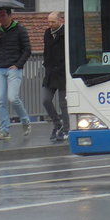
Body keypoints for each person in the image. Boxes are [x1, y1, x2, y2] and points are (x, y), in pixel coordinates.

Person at [0, 6, 32, 140]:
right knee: (0, 101)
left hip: (14, 68)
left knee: (13, 97)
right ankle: (4, 130)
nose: (1, 18)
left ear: (10, 16)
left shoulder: (20, 29)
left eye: (3, 15)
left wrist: (18, 65)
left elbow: (27, 49)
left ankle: (25, 121)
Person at [41, 11, 69, 142]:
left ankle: (66, 129)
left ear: (60, 20)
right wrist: (46, 65)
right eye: (49, 21)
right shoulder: (47, 33)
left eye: (53, 22)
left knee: (63, 103)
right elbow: (46, 51)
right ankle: (57, 123)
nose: (50, 24)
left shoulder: (66, 33)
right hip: (50, 73)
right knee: (46, 100)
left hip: (63, 73)